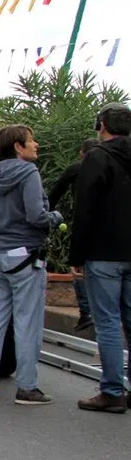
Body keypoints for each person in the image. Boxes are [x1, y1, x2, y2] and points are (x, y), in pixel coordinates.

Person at [0, 125, 62, 404]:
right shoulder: (29, 173)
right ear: (19, 147)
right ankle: (27, 387)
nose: (36, 144)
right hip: (25, 255)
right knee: (27, 322)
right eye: (31, 140)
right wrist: (54, 218)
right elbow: (36, 215)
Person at [69, 102, 131, 413]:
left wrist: (76, 254)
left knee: (107, 322)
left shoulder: (97, 158)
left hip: (104, 251)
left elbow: (86, 210)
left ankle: (111, 390)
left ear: (101, 125)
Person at [48, 138, 100, 332]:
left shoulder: (77, 169)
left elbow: (55, 193)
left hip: (84, 224)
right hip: (111, 230)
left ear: (82, 153)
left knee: (78, 267)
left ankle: (86, 312)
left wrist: (47, 213)